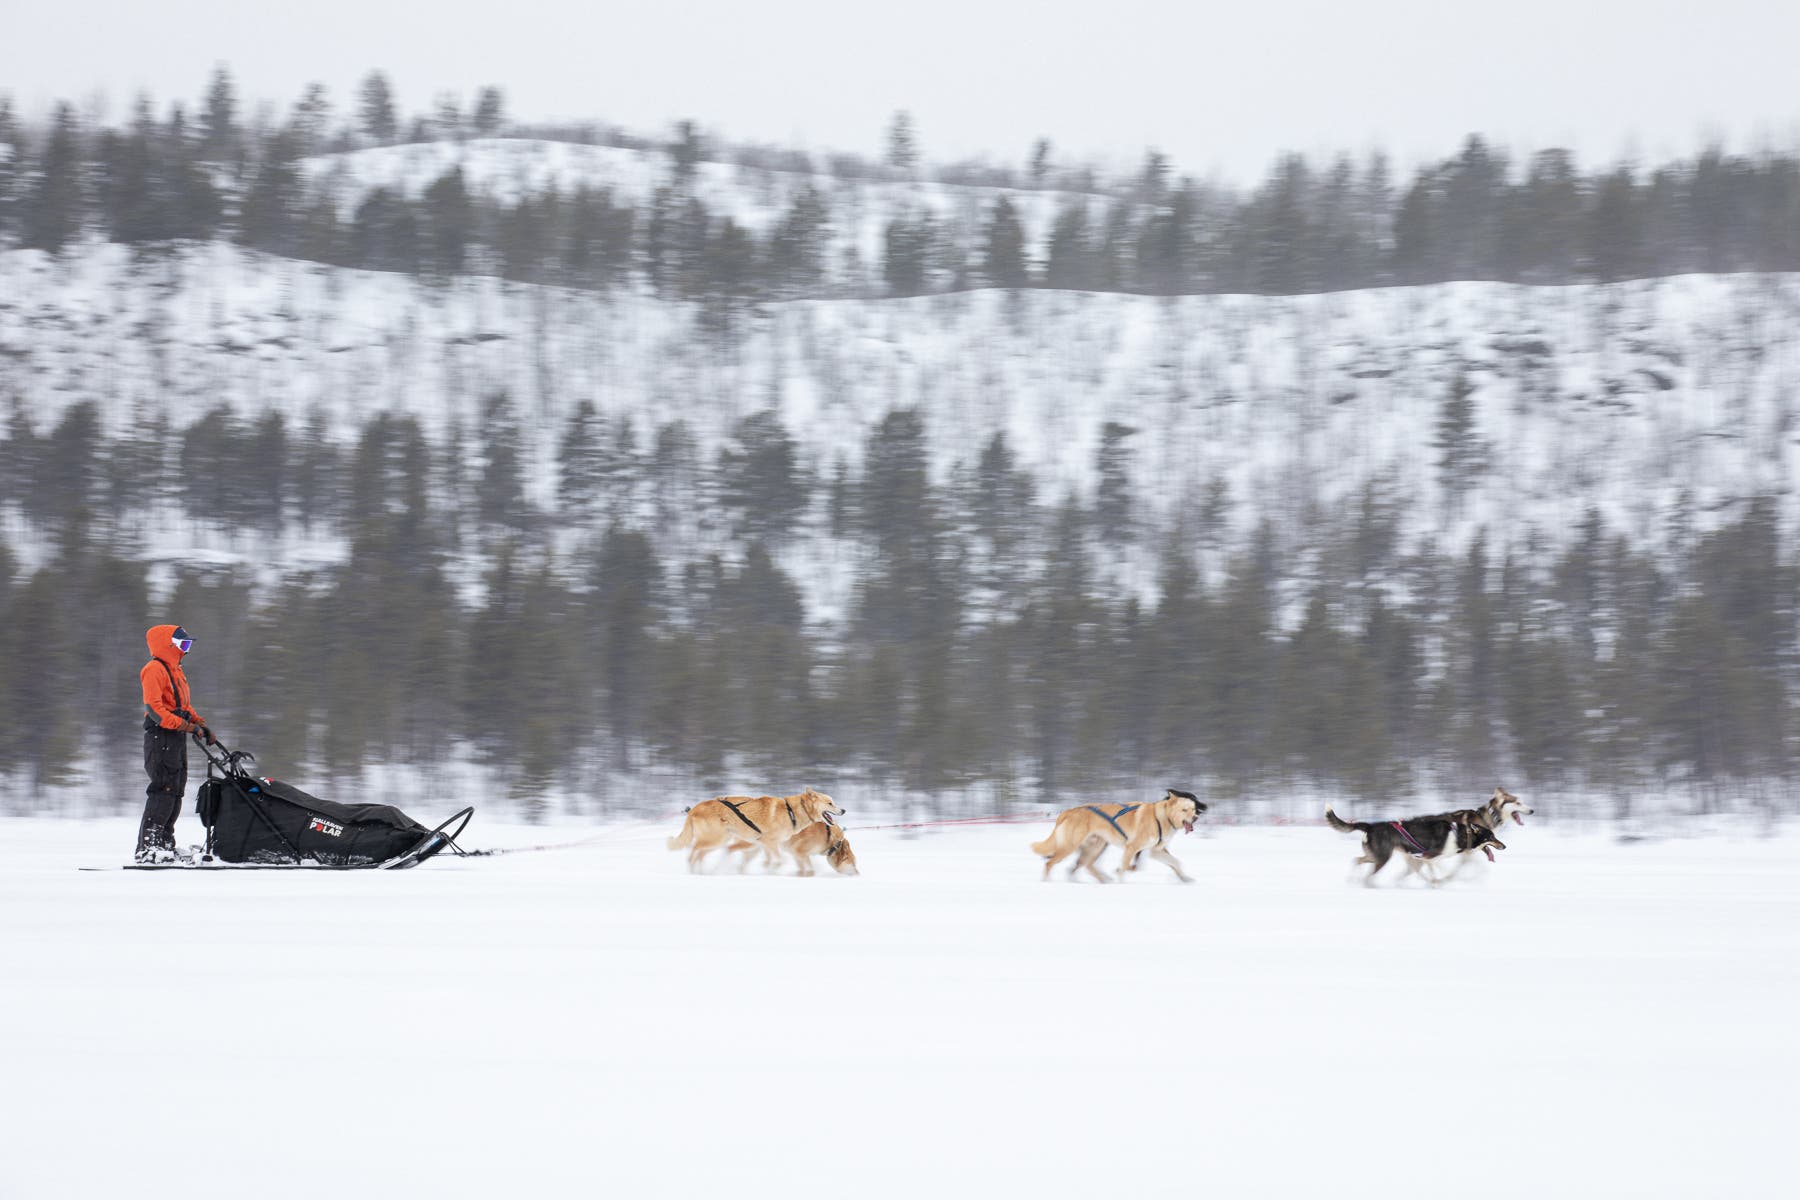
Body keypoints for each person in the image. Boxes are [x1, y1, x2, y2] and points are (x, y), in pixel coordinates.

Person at [137, 624, 214, 863]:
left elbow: (182, 706)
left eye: (189, 645)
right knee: (163, 789)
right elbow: (155, 710)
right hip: (161, 736)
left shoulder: (176, 671)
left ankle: (164, 844)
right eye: (183, 645)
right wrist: (185, 725)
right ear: (167, 645)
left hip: (175, 737)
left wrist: (200, 724)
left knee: (176, 790)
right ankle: (149, 848)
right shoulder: (154, 669)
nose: (186, 650)